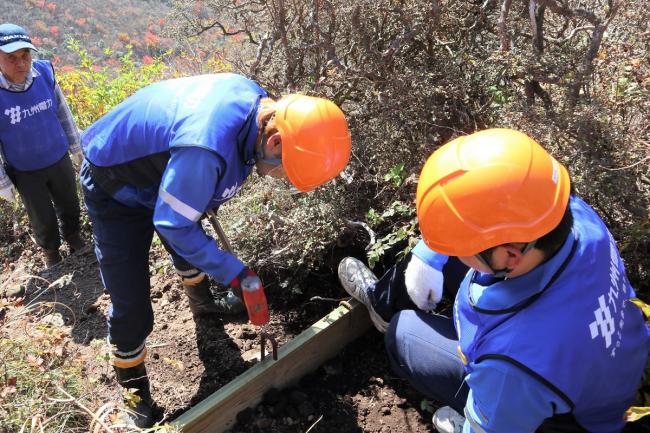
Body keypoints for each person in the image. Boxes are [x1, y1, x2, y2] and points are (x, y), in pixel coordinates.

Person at [79, 72, 351, 427]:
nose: (280, 177)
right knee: (132, 304)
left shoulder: (261, 109)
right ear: (275, 141)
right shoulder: (204, 149)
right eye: (285, 171)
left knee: (191, 243)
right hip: (117, 184)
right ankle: (135, 393)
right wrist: (235, 274)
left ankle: (203, 305)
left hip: (168, 168)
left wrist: (205, 196)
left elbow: (202, 184)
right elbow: (173, 223)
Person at [339, 128, 649, 433]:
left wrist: (477, 423)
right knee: (447, 260)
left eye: (461, 246)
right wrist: (429, 255)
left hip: (568, 414)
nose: (452, 251)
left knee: (404, 334)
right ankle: (383, 301)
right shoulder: (571, 215)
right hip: (612, 367)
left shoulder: (513, 364)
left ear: (509, 257)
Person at [0, 23, 85, 267]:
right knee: (41, 216)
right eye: (11, 58)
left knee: (69, 201)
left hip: (58, 156)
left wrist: (75, 146)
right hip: (25, 169)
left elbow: (62, 111)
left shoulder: (44, 74)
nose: (21, 64)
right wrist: (3, 183)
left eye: (25, 55)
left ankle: (73, 235)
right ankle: (51, 251)